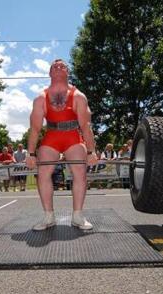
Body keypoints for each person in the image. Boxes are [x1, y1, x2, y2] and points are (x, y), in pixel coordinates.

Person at [25, 59, 98, 231]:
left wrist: (91, 151)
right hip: (52, 136)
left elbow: (86, 127)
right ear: (50, 73)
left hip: (73, 136)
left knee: (79, 171)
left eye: (62, 66)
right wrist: (30, 154)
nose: (58, 67)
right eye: (54, 67)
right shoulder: (40, 99)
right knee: (43, 172)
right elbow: (35, 129)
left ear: (67, 72)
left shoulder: (78, 96)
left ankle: (78, 216)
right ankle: (48, 216)